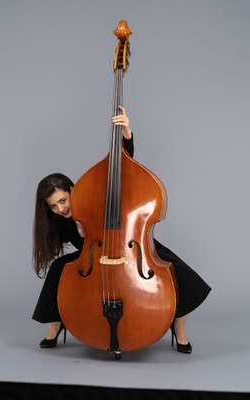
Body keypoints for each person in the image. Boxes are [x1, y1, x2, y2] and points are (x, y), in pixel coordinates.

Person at [32, 107, 211, 353]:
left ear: (74, 189)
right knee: (57, 269)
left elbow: (123, 171)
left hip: (133, 247)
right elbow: (85, 246)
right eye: (53, 206)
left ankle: (178, 329)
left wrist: (126, 134)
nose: (60, 208)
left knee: (183, 277)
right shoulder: (59, 222)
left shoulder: (94, 190)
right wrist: (79, 225)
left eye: (63, 201)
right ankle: (56, 325)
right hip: (96, 256)